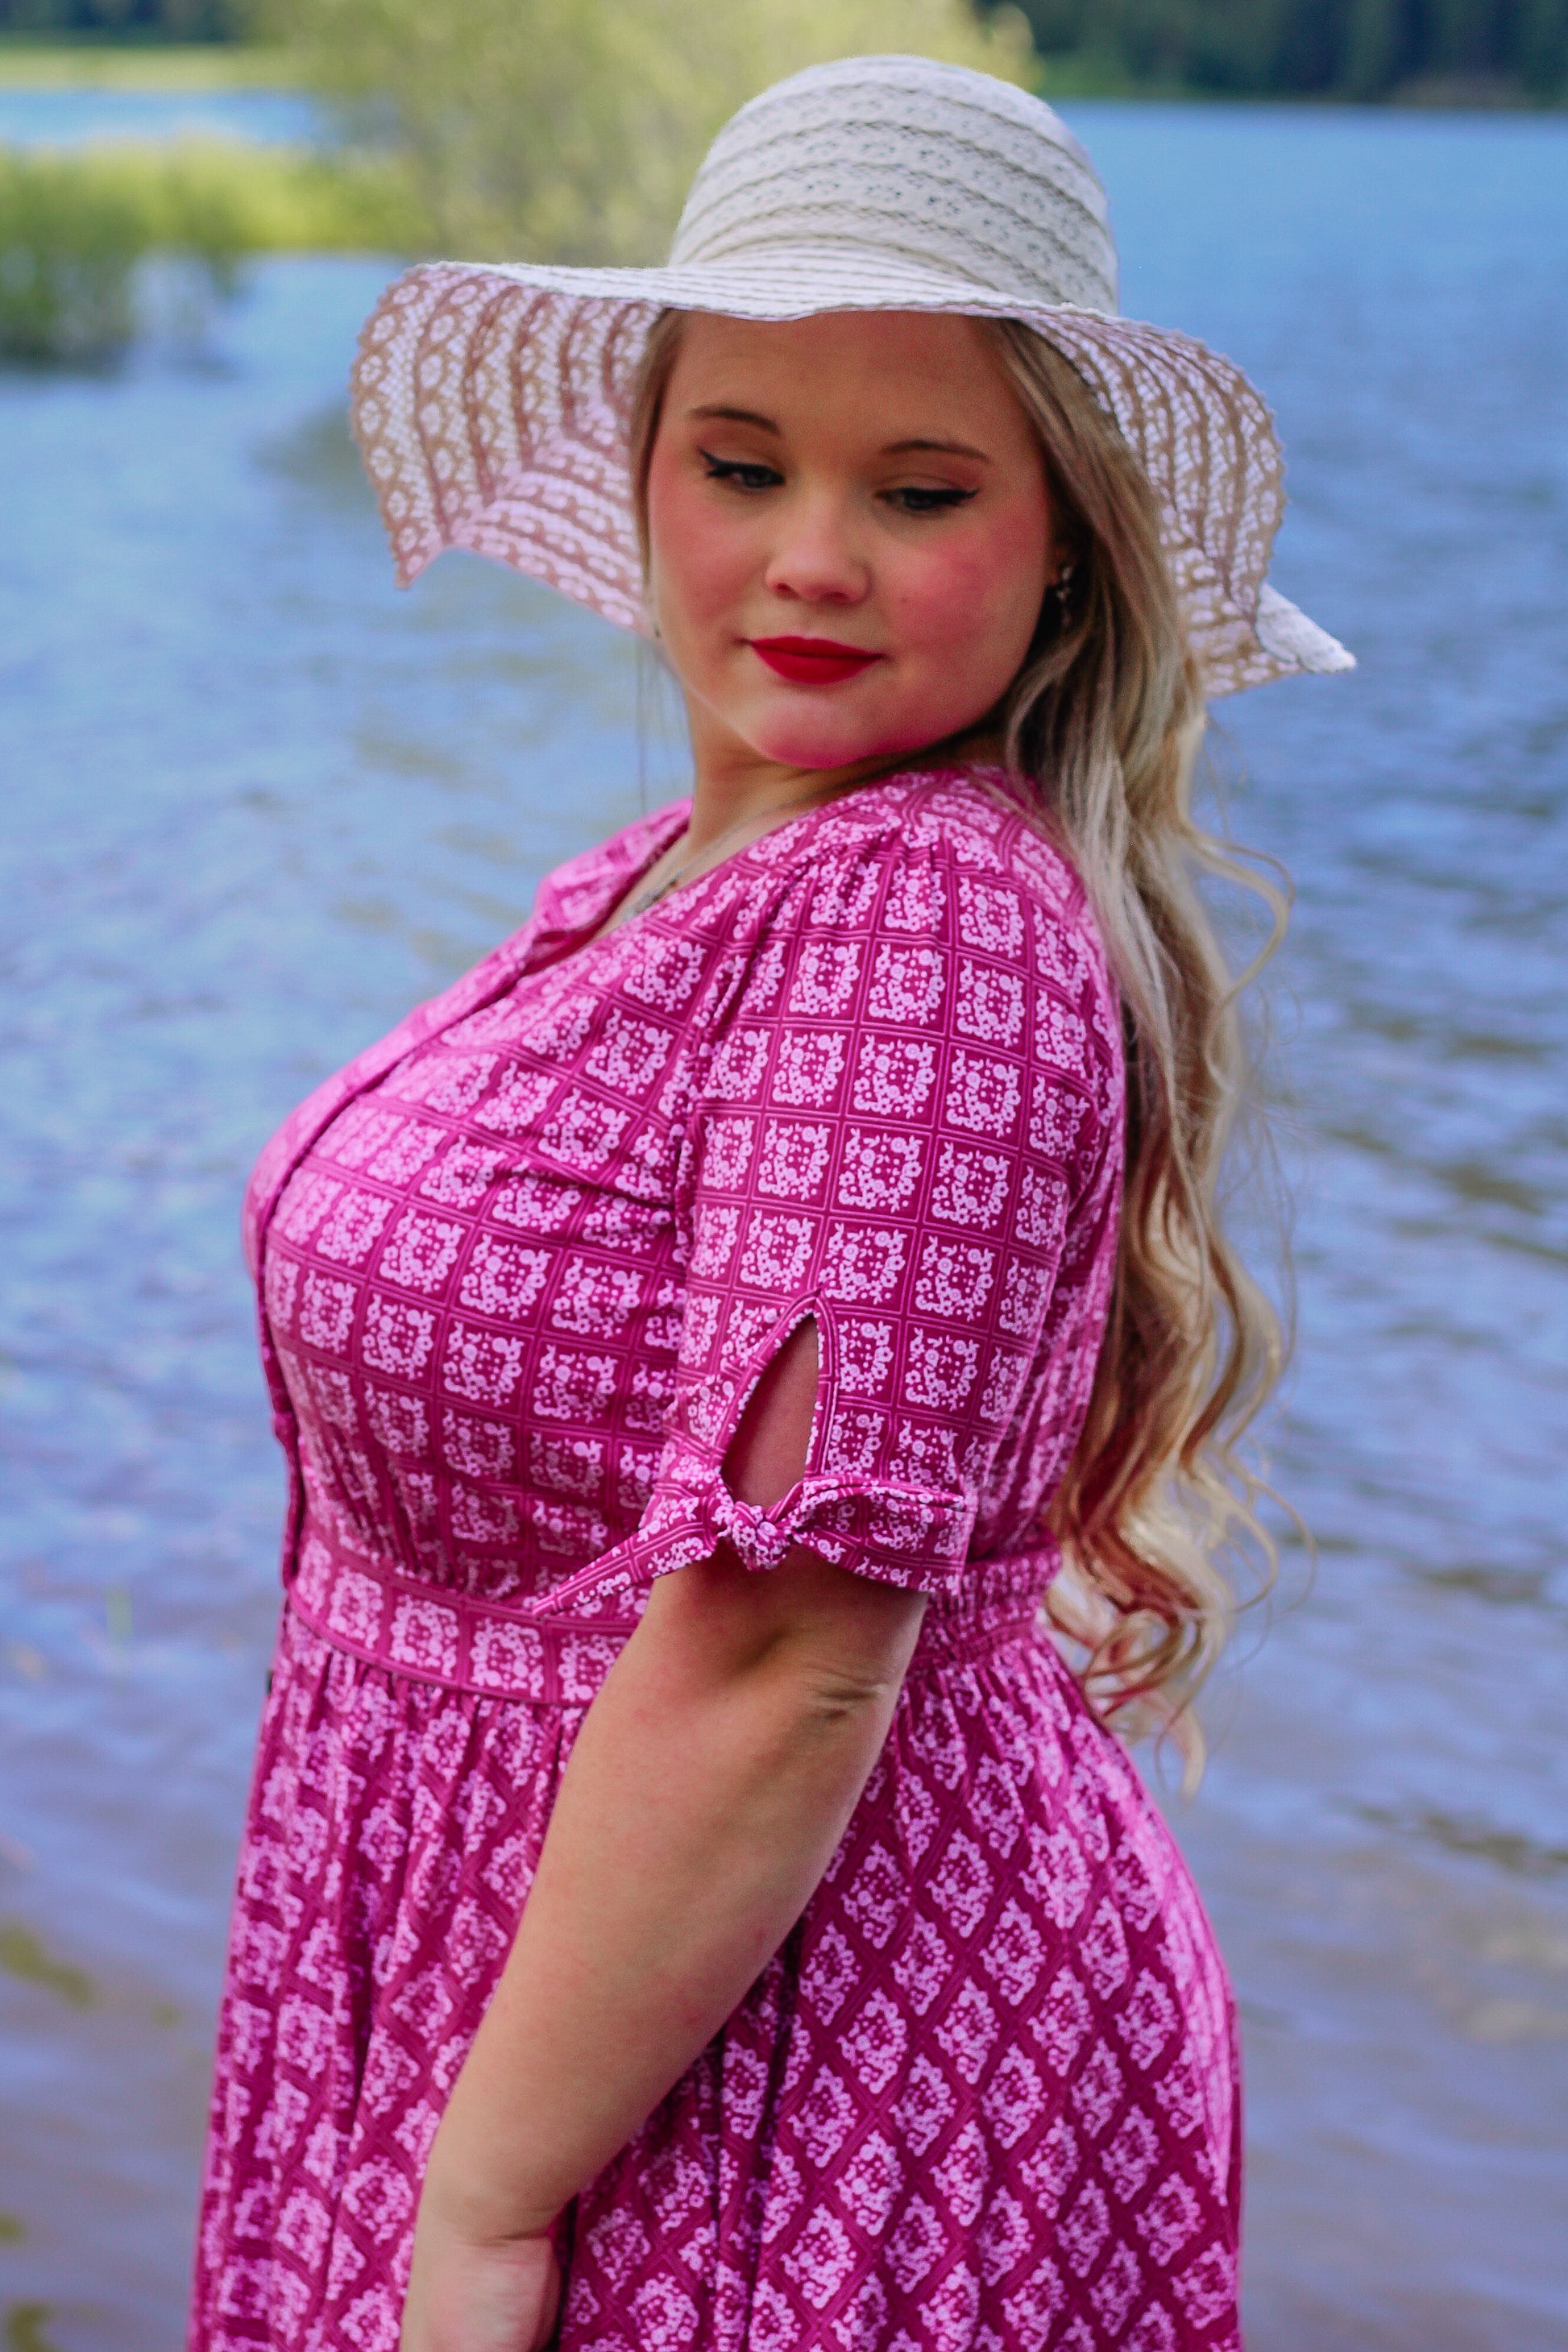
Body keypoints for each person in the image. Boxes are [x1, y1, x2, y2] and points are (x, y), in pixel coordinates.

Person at [189, 55, 1350, 2352]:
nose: (810, 554)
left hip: (753, 2064)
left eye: (918, 489)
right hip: (563, 1989)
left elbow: (789, 1658)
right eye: (741, 464)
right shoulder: (672, 875)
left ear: (1059, 546)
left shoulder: (926, 918)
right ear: (642, 481)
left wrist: (493, 2199)